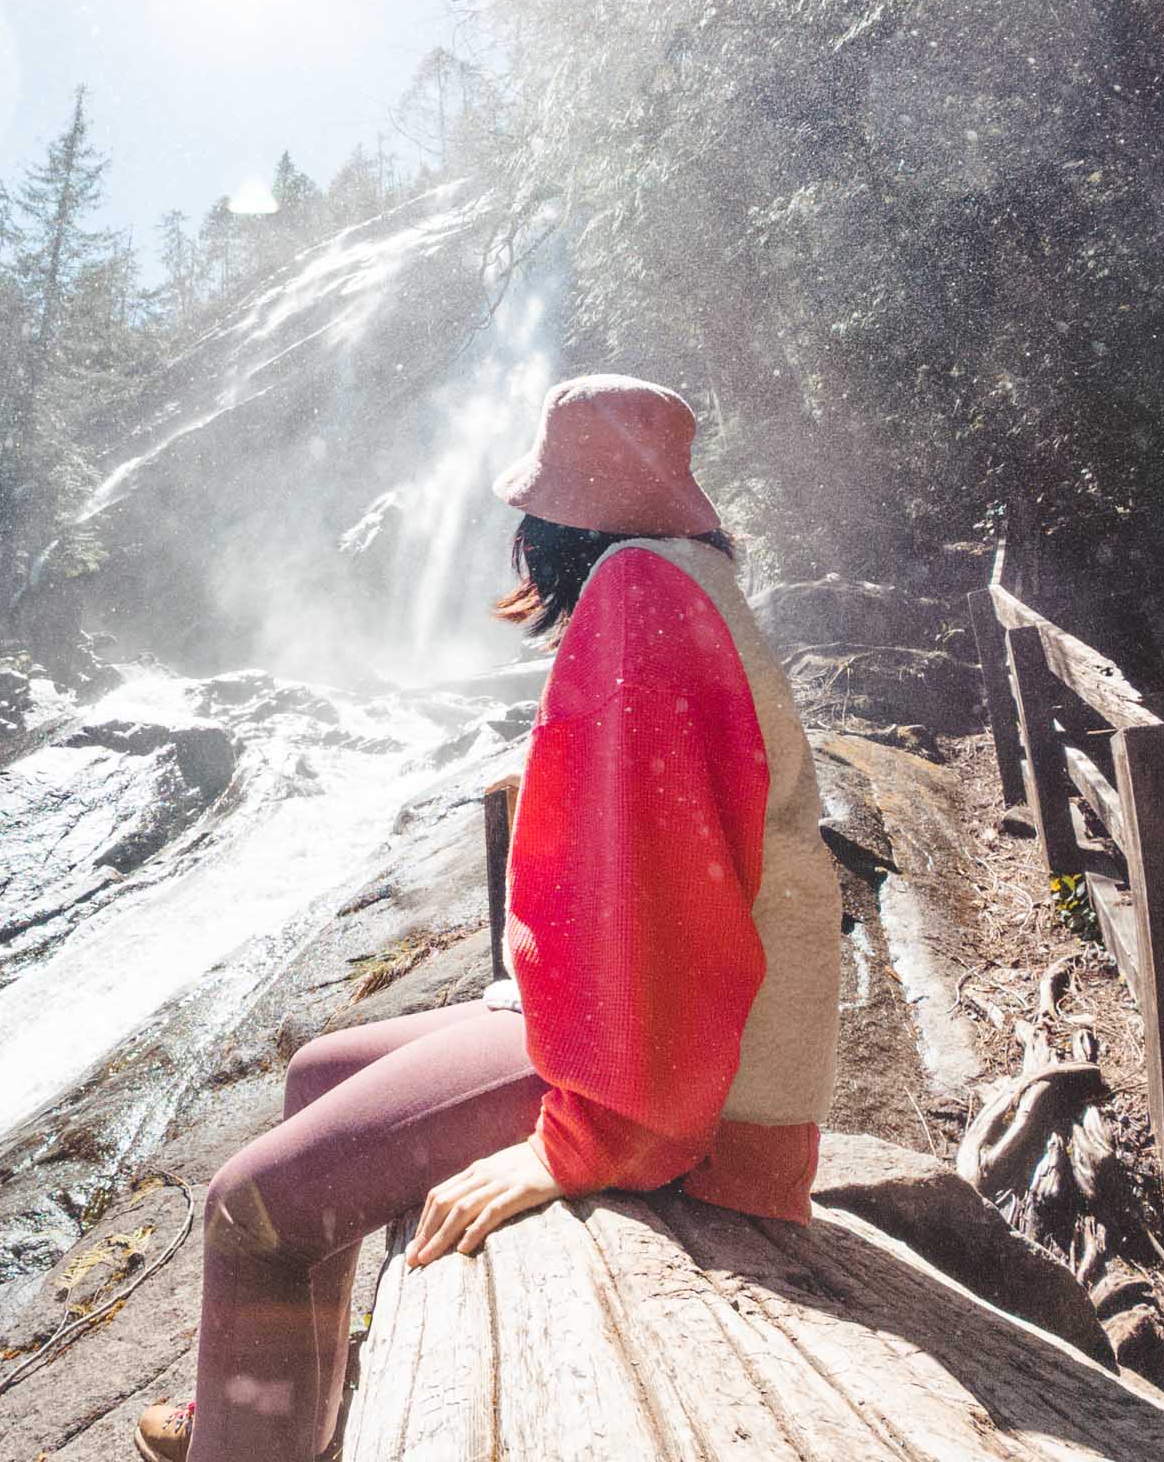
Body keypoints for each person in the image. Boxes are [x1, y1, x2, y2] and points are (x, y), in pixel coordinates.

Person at [134, 374, 842, 1462]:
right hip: (693, 1032)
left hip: (695, 1081)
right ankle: (272, 1417)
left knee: (247, 1211)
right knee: (321, 1070)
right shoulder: (678, 580)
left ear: (558, 517)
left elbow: (665, 889)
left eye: (533, 509)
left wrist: (586, 1142)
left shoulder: (641, 601)